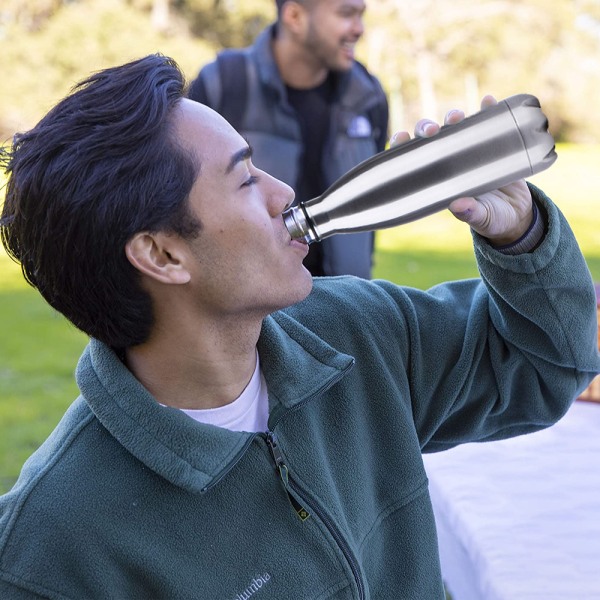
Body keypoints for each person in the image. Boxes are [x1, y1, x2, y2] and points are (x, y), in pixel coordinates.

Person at [0, 54, 598, 600]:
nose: (283, 192)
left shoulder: (354, 332)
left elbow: (545, 365)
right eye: (244, 178)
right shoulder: (52, 549)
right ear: (162, 256)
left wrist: (519, 238)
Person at [187, 0, 389, 279]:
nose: (359, 29)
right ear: (294, 16)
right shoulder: (223, 84)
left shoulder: (368, 95)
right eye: (346, 14)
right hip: (256, 310)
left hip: (348, 303)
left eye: (361, 15)